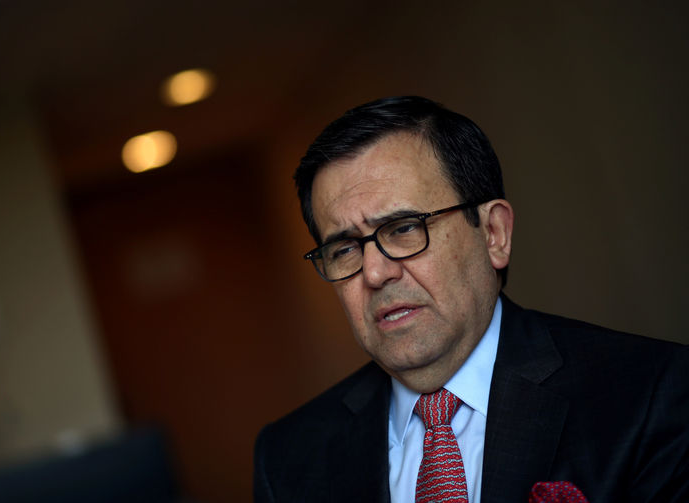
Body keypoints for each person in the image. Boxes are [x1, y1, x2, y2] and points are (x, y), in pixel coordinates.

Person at [253, 96, 689, 503]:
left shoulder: (649, 396)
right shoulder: (289, 459)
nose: (374, 272)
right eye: (345, 248)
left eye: (404, 228)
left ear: (494, 234)